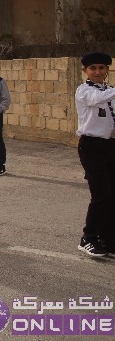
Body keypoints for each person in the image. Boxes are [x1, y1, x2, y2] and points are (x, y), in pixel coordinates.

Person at [75, 52, 115, 258]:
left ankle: (108, 239)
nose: (98, 72)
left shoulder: (110, 91)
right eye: (93, 68)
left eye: (101, 68)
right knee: (101, 195)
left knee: (112, 195)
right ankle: (88, 238)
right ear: (86, 71)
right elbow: (96, 99)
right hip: (92, 147)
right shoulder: (84, 91)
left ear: (107, 70)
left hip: (111, 146)